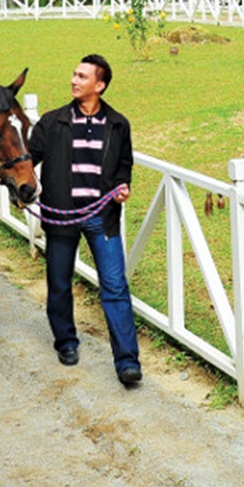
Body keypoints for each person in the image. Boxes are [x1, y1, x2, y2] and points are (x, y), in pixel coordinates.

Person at [29, 53, 142, 387]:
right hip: (62, 218)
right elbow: (26, 161)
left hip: (101, 218)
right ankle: (65, 341)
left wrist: (123, 186)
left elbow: (125, 165)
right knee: (60, 283)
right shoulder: (51, 123)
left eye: (82, 76)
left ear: (100, 85)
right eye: (74, 74)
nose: (74, 81)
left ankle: (127, 362)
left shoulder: (119, 124)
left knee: (115, 288)